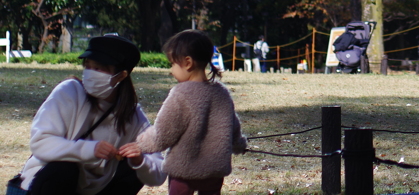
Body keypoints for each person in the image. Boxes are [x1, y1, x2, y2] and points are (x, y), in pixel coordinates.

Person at [14, 34, 166, 195]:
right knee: (65, 168)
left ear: (121, 75)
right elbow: (40, 142)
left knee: (134, 166)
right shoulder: (69, 92)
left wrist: (140, 161)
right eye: (88, 66)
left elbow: (158, 174)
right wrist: (89, 149)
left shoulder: (133, 115)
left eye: (99, 68)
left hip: (94, 189)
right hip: (46, 183)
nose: (90, 73)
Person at [122, 30, 247, 195]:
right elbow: (233, 127)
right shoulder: (221, 93)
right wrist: (239, 145)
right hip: (214, 171)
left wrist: (140, 145)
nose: (171, 70)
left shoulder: (181, 94)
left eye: (173, 64)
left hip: (184, 170)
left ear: (188, 62)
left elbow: (163, 134)